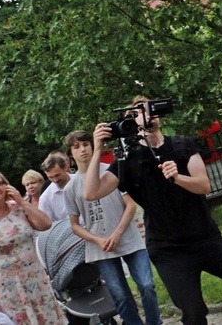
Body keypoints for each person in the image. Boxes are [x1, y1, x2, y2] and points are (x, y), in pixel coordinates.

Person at [83, 96, 222, 325]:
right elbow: (91, 193)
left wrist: (178, 178)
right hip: (168, 249)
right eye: (138, 111)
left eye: (149, 108)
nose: (147, 113)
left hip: (205, 238)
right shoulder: (127, 159)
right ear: (130, 121)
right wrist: (98, 149)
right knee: (193, 312)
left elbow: (204, 185)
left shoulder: (182, 145)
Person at [63, 130, 162, 325]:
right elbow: (74, 225)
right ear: (70, 154)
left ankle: (154, 322)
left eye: (85, 144)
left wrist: (117, 233)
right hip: (100, 247)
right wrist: (97, 240)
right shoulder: (70, 187)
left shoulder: (113, 169)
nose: (82, 150)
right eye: (76, 147)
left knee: (146, 284)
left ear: (93, 146)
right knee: (119, 294)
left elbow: (131, 205)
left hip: (128, 239)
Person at [0, 169, 66, 325]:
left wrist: (21, 201)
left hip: (35, 279)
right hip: (6, 289)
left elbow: (46, 224)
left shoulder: (18, 207)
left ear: (6, 186)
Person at [39, 151, 74, 222]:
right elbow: (47, 225)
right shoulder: (45, 198)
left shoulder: (82, 180)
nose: (55, 180)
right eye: (50, 177)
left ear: (65, 167)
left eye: (57, 175)